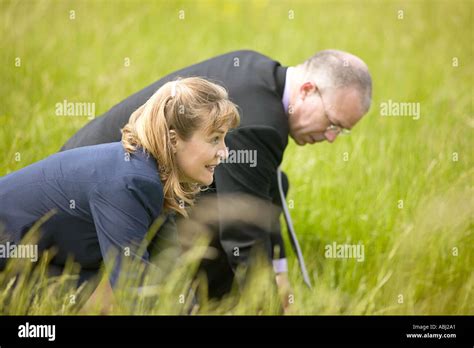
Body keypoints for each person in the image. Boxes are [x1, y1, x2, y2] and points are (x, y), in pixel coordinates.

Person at [60, 49, 373, 306]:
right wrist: (270, 306)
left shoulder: (260, 72)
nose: (332, 137)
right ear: (307, 91)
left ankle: (213, 302)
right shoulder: (261, 125)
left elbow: (265, 187)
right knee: (225, 222)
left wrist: (279, 272)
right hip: (94, 194)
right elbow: (243, 233)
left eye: (341, 131)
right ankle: (209, 304)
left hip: (99, 169)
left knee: (247, 196)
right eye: (333, 123)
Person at [0, 77, 240, 311]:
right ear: (174, 140)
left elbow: (171, 275)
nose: (224, 152)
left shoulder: (151, 176)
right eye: (215, 139)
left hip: (36, 266)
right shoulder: (131, 182)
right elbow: (133, 290)